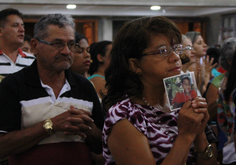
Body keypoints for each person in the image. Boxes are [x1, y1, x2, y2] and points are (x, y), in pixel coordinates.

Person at [102, 16, 217, 165]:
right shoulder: (124, 116)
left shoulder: (180, 98)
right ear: (135, 65)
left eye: (175, 49)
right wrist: (186, 135)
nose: (175, 57)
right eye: (163, 51)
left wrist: (199, 132)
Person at [0, 13, 104, 165]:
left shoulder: (84, 86)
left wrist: (90, 130)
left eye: (71, 44)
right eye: (57, 44)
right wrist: (50, 125)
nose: (66, 51)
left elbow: (101, 146)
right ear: (35, 46)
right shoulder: (13, 85)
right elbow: (2, 147)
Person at [216, 38, 236, 165]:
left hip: (230, 146)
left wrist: (229, 135)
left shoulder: (223, 84)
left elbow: (221, 119)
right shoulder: (229, 86)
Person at [0, 8, 35, 77]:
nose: (22, 30)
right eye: (15, 25)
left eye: (22, 26)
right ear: (1, 31)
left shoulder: (33, 61)